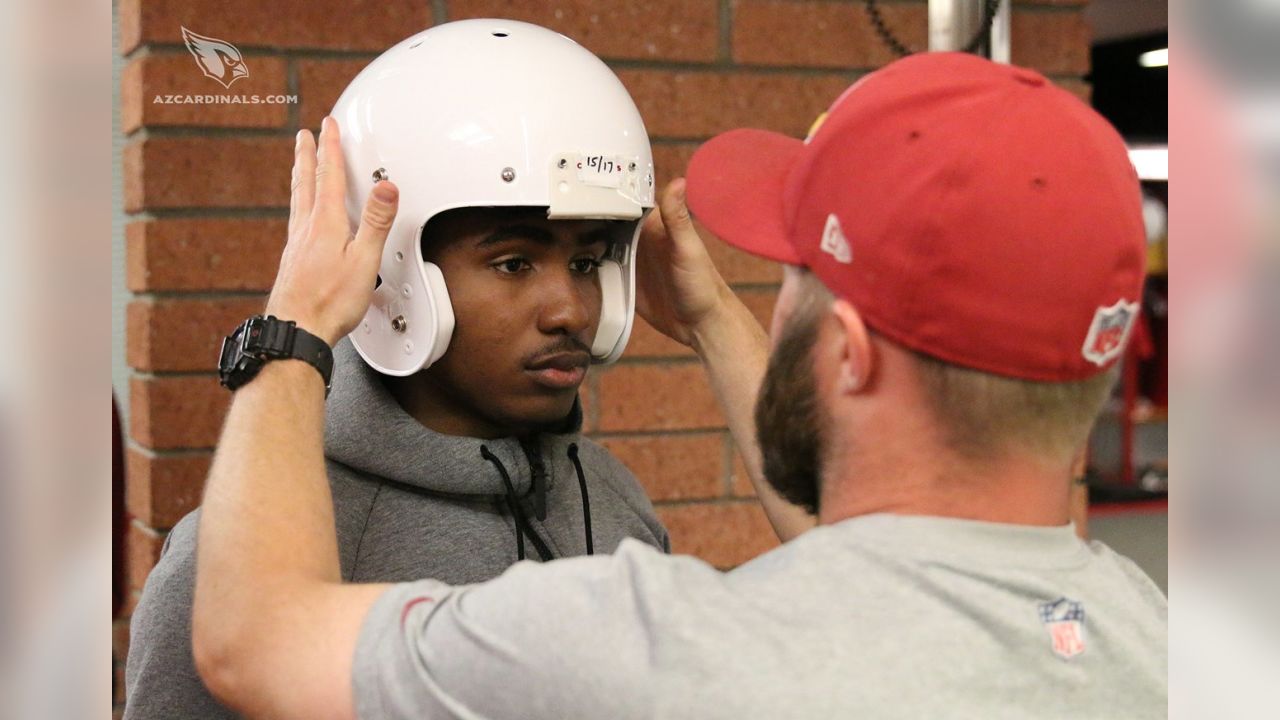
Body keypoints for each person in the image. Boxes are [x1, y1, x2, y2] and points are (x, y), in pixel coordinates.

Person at [190, 52, 1167, 719]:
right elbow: (877, 574)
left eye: (791, 284)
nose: (569, 304)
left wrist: (294, 329)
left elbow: (249, 639)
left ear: (848, 356)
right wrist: (708, 319)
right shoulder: (1164, 645)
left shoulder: (649, 645)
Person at [123, 20, 673, 719]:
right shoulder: (236, 566)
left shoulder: (612, 499)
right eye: (514, 263)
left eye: (588, 262)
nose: (571, 309)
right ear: (393, 275)